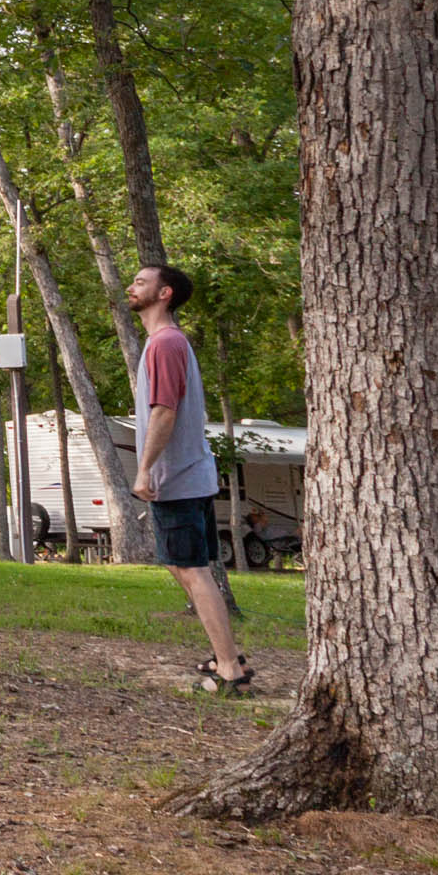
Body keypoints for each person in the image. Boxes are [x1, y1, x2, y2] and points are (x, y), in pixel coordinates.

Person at [125, 265, 247, 692]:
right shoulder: (165, 343)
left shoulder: (166, 344)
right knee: (185, 568)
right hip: (183, 478)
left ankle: (230, 670)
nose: (132, 287)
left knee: (192, 571)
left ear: (165, 293)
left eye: (141, 282)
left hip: (175, 478)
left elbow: (165, 411)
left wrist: (144, 470)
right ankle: (225, 654)